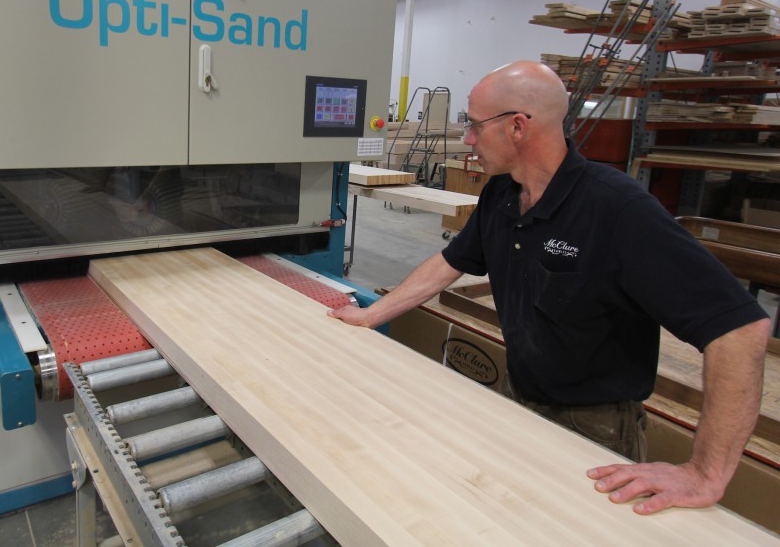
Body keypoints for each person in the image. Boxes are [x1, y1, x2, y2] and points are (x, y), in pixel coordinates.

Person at [329, 60, 770, 515]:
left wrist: (705, 473)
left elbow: (740, 330)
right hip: (519, 399)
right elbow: (449, 262)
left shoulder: (618, 209)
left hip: (594, 428)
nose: (468, 139)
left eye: (475, 126)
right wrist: (371, 315)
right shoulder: (501, 194)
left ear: (518, 126)